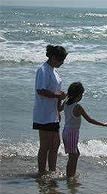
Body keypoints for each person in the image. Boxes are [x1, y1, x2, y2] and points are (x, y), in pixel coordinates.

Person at [61, 82, 107, 178]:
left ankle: (72, 175)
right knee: (73, 156)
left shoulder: (66, 103)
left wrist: (61, 98)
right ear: (79, 95)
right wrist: (103, 124)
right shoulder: (77, 107)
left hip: (66, 131)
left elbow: (59, 109)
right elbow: (90, 120)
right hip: (72, 133)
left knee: (75, 154)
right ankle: (69, 177)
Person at [33, 45, 68, 175]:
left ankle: (52, 171)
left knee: (55, 144)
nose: (62, 63)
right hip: (43, 114)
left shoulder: (55, 73)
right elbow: (40, 90)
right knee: (45, 146)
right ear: (53, 57)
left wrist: (59, 108)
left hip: (53, 114)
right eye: (61, 60)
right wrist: (58, 95)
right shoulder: (43, 70)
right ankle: (42, 172)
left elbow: (57, 93)